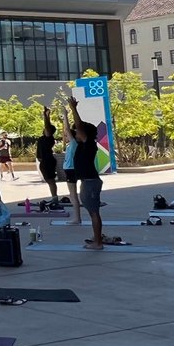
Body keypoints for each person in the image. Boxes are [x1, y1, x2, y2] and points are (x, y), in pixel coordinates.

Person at [68, 97, 104, 250]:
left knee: (94, 212)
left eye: (78, 132)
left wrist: (74, 109)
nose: (76, 133)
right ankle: (97, 238)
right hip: (88, 181)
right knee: (93, 212)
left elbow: (79, 126)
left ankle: (98, 243)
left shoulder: (89, 143)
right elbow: (73, 130)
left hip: (90, 182)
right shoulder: (83, 144)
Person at [60, 104, 84, 226]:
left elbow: (67, 130)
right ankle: (77, 218)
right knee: (73, 194)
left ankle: (77, 218)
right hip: (72, 169)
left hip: (71, 170)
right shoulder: (78, 144)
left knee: (73, 195)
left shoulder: (75, 143)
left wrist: (65, 115)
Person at [37, 107, 59, 203]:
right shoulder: (43, 138)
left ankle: (54, 197)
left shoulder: (49, 138)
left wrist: (46, 116)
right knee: (49, 180)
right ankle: (54, 197)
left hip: (48, 161)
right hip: (44, 161)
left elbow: (47, 127)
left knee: (50, 180)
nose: (44, 130)